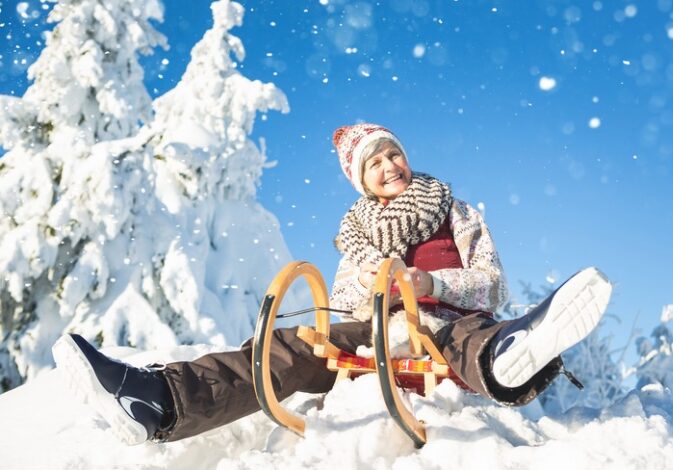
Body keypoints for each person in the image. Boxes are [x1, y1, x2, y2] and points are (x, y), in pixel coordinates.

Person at [53, 123, 613, 445]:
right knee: (289, 348)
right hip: (374, 336)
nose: (390, 164)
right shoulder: (358, 235)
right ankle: (160, 399)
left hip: (445, 328)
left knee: (468, 334)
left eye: (394, 152)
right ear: (361, 180)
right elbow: (342, 306)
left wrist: (429, 280)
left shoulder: (456, 211)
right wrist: (372, 291)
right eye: (375, 163)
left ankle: (510, 356)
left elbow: (493, 287)